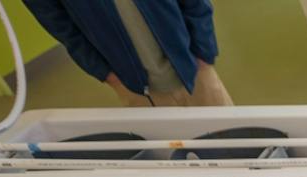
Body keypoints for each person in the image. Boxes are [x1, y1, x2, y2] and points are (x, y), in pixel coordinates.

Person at [22, 1, 233, 107]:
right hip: (134, 88)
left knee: (236, 142)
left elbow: (196, 4)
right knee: (170, 160)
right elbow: (63, 30)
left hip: (195, 69)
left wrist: (204, 53)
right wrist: (106, 74)